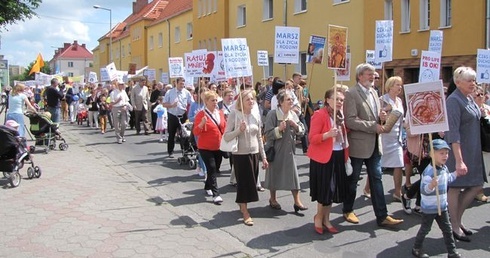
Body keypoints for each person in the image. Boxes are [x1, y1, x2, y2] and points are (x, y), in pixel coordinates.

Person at [343, 63, 403, 226]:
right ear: (360, 76)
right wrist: (373, 126)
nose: (373, 77)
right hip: (359, 145)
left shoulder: (375, 93)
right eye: (369, 74)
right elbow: (350, 120)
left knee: (377, 179)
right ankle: (348, 209)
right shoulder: (351, 93)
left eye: (374, 74)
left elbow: (376, 116)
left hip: (376, 144)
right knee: (353, 179)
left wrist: (382, 116)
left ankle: (382, 216)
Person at [445, 66, 487, 242]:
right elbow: (453, 132)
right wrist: (459, 160)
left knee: (477, 185)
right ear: (458, 82)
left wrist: (480, 109)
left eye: (474, 80)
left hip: (473, 150)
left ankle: (456, 219)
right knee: (455, 188)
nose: (473, 83)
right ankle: (454, 225)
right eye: (469, 80)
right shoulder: (454, 101)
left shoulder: (468, 98)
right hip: (460, 152)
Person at [223, 89, 268, 226]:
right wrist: (239, 130)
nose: (251, 101)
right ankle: (245, 211)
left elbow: (259, 137)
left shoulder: (256, 114)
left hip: (253, 153)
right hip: (240, 154)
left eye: (252, 99)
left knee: (252, 182)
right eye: (248, 99)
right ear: (241, 102)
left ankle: (241, 203)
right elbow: (226, 136)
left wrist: (264, 157)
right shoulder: (235, 114)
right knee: (244, 183)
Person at [411, 139, 463, 258]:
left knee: (447, 229)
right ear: (431, 154)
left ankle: (452, 252)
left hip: (443, 206)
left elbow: (447, 179)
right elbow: (424, 190)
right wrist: (431, 186)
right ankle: (416, 248)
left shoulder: (444, 168)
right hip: (430, 207)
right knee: (425, 229)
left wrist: (456, 174)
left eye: (446, 153)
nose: (445, 156)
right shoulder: (429, 172)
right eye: (441, 153)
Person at [308, 88, 348, 234]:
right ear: (327, 100)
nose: (339, 102)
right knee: (325, 190)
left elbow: (344, 136)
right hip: (323, 157)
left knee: (333, 189)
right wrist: (327, 135)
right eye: (336, 99)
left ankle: (327, 219)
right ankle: (319, 217)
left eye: (341, 100)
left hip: (337, 155)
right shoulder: (320, 114)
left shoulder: (340, 116)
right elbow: (312, 138)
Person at [263, 90, 307, 212]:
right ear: (281, 102)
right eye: (288, 99)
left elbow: (302, 131)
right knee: (274, 174)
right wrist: (279, 129)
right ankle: (273, 199)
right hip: (276, 149)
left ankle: (297, 201)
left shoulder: (293, 114)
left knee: (293, 175)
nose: (291, 101)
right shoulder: (273, 114)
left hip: (289, 150)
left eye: (292, 99)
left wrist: (295, 126)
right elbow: (267, 134)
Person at [193, 91, 226, 205]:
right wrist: (202, 124)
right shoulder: (201, 114)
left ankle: (207, 186)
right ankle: (216, 194)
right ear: (206, 102)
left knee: (215, 168)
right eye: (212, 100)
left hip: (218, 146)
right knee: (211, 168)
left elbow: (224, 127)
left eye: (216, 100)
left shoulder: (220, 113)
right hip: (205, 147)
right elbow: (196, 131)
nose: (215, 102)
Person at [379, 76, 405, 202]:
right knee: (378, 165)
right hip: (384, 137)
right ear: (389, 86)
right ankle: (368, 188)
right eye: (397, 85)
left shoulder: (399, 101)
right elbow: (378, 117)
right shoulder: (382, 99)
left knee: (399, 164)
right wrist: (384, 111)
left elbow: (401, 118)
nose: (399, 87)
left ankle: (397, 192)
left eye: (400, 85)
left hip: (396, 138)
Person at [163, 77, 194, 158]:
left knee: (184, 134)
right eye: (180, 84)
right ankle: (170, 151)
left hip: (183, 115)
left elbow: (192, 103)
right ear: (176, 83)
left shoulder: (186, 92)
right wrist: (171, 105)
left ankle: (185, 151)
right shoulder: (169, 92)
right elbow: (164, 104)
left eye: (183, 84)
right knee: (172, 134)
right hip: (172, 115)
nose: (182, 85)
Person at [473, 85, 489, 202]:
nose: (479, 97)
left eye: (481, 94)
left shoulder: (488, 108)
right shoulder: (471, 109)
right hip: (477, 142)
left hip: (488, 141)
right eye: (477, 95)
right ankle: (478, 191)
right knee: (479, 169)